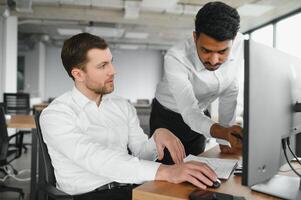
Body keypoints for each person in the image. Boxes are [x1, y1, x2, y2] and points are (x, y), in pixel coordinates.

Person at [40, 33, 218, 200]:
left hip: (129, 189)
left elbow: (141, 153)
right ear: (78, 74)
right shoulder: (56, 115)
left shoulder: (121, 106)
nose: (113, 71)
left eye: (111, 62)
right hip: (88, 195)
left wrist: (158, 135)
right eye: (102, 66)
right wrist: (166, 172)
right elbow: (97, 158)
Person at [150, 1, 243, 164]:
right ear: (195, 37)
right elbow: (189, 112)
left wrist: (226, 139)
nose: (214, 61)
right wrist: (222, 132)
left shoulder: (239, 43)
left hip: (201, 115)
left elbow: (230, 92)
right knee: (168, 174)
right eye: (206, 50)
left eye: (222, 51)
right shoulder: (176, 57)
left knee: (197, 165)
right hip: (168, 116)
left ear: (233, 40)